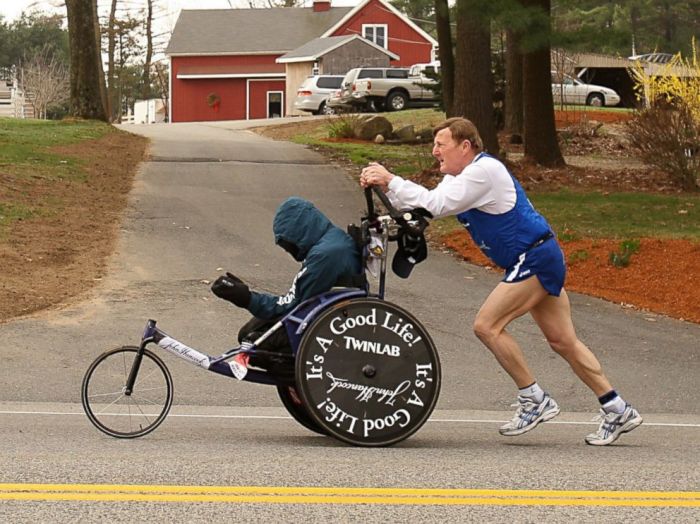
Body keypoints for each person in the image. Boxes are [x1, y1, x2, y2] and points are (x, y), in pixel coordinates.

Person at [360, 117, 642, 446]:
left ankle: (535, 399)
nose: (434, 150)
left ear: (465, 146)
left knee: (486, 325)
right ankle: (617, 408)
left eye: (441, 145)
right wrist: (383, 187)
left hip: (535, 258)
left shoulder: (483, 171)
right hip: (538, 257)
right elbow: (427, 205)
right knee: (564, 341)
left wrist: (390, 178)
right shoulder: (462, 177)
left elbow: (433, 204)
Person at [210, 196, 362, 378]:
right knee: (247, 332)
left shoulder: (325, 256)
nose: (288, 251)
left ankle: (307, 380)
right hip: (332, 313)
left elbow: (292, 307)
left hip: (328, 324)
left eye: (287, 245)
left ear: (299, 233)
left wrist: (246, 298)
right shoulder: (332, 242)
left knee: (254, 344)